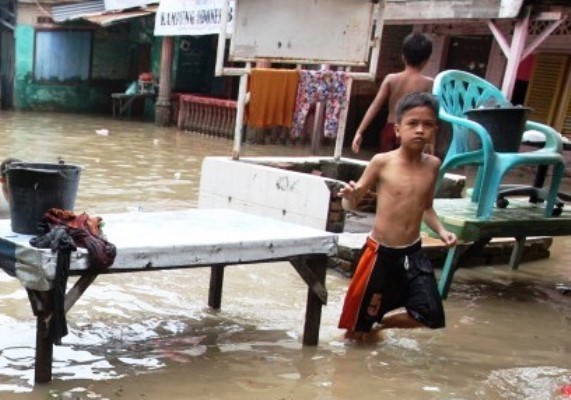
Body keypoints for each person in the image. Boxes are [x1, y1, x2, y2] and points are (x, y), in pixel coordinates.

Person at [338, 92, 457, 342]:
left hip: (412, 253)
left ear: (435, 129)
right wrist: (351, 194)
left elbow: (426, 207)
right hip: (379, 253)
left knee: (430, 314)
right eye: (413, 123)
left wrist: (442, 230)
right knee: (355, 331)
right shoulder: (382, 162)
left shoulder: (433, 165)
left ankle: (380, 324)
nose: (420, 130)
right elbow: (351, 202)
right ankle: (366, 331)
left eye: (427, 124)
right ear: (398, 130)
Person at [352, 32, 434, 155]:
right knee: (409, 169)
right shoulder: (429, 83)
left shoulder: (391, 79)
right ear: (426, 60)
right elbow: (431, 115)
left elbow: (374, 106)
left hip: (390, 129)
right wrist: (430, 142)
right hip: (412, 132)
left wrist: (359, 131)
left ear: (403, 57)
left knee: (387, 167)